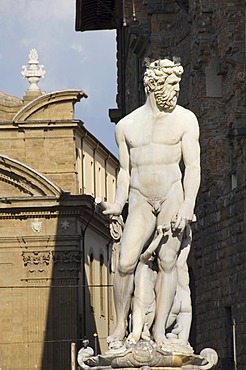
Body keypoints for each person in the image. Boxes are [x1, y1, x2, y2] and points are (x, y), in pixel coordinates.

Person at [103, 58, 200, 349]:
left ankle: (159, 331)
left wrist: (187, 205)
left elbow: (193, 167)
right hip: (140, 198)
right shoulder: (126, 126)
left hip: (172, 195)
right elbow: (124, 171)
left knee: (168, 262)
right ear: (153, 85)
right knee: (125, 263)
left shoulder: (185, 119)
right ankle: (120, 325)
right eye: (171, 84)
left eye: (177, 84)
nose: (176, 90)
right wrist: (118, 204)